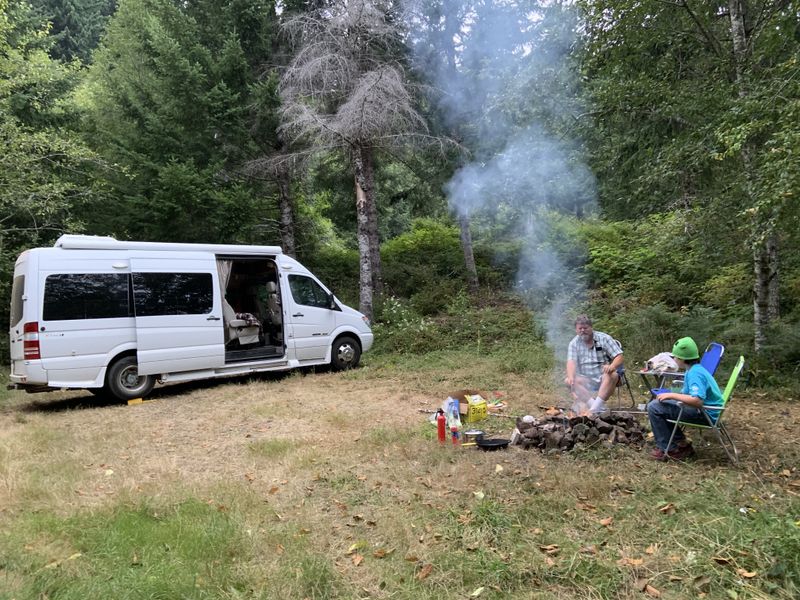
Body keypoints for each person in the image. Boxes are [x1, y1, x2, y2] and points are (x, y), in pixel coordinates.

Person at [647, 336, 724, 461]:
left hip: (705, 414)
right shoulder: (694, 369)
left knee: (654, 407)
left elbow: (697, 400)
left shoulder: (695, 374)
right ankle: (680, 443)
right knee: (662, 403)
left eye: (675, 357)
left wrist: (672, 395)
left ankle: (670, 449)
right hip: (704, 411)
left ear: (682, 359)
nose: (674, 359)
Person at [564, 315, 624, 413]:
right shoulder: (574, 343)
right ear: (576, 330)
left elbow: (619, 356)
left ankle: (594, 409)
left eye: (585, 328)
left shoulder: (604, 338)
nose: (583, 330)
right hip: (586, 378)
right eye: (580, 328)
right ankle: (596, 408)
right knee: (569, 380)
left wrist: (612, 366)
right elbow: (571, 362)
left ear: (591, 328)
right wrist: (571, 376)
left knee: (612, 374)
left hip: (604, 376)